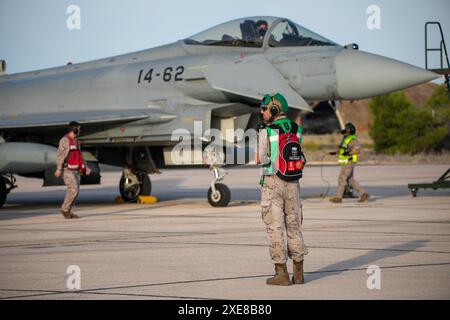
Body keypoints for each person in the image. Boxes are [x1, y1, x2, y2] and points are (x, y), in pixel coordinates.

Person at [256, 93, 308, 286]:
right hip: (293, 183)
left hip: (272, 182)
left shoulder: (267, 131)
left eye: (265, 108)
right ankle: (299, 274)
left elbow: (260, 159)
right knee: (294, 226)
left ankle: (281, 274)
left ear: (275, 109)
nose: (262, 112)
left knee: (275, 227)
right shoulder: (297, 128)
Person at [55, 121, 91, 219]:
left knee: (76, 191)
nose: (80, 131)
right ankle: (65, 209)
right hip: (68, 170)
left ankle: (70, 212)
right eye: (78, 129)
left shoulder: (76, 141)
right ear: (73, 129)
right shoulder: (65, 140)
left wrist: (85, 167)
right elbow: (60, 155)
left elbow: (80, 156)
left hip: (76, 170)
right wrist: (58, 169)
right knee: (73, 190)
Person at [329, 123, 369, 204]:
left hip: (349, 162)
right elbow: (344, 149)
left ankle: (338, 197)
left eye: (346, 129)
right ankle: (363, 194)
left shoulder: (353, 139)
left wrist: (349, 153)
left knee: (342, 178)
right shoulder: (346, 139)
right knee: (350, 180)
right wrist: (337, 152)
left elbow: (357, 150)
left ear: (350, 130)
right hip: (346, 162)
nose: (345, 130)